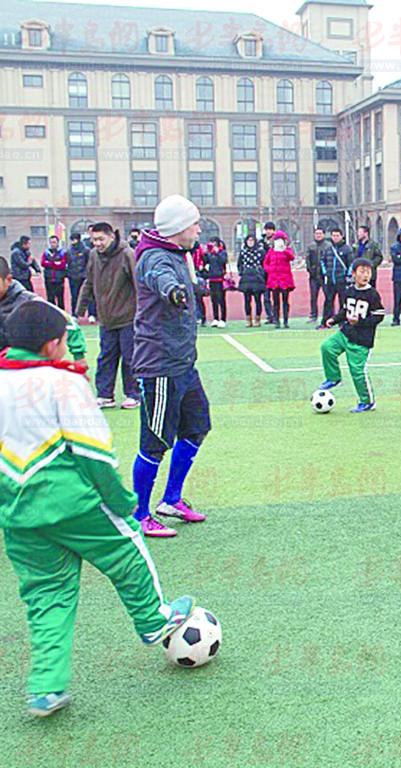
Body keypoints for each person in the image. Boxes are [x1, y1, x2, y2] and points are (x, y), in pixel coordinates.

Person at [0, 300, 197, 718]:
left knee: (46, 595)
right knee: (128, 551)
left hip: (18, 514)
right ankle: (155, 621)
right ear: (53, 345)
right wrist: (122, 502)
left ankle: (47, 688)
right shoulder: (64, 384)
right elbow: (94, 455)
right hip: (72, 503)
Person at [131, 194, 211, 538]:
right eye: (194, 223)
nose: (198, 229)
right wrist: (176, 292)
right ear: (178, 228)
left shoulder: (179, 254)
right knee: (154, 442)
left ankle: (171, 499)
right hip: (159, 366)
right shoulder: (153, 256)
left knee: (196, 427)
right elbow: (160, 279)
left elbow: (178, 281)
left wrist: (194, 287)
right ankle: (139, 514)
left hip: (182, 363)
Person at [77, 222, 140, 410]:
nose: (97, 243)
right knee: (106, 357)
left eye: (100, 239)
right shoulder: (94, 256)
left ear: (111, 236)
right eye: (93, 239)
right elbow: (88, 281)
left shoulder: (127, 254)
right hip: (106, 318)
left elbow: (138, 284)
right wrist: (79, 309)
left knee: (130, 357)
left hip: (128, 317)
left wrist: (143, 312)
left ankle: (133, 394)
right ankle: (105, 395)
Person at [317, 257, 385, 413]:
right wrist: (334, 319)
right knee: (327, 347)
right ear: (354, 274)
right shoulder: (349, 291)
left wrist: (360, 321)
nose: (365, 275)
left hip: (361, 340)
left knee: (357, 372)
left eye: (368, 272)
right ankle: (333, 377)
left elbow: (379, 315)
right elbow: (345, 310)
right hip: (345, 333)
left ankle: (367, 402)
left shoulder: (373, 294)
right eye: (362, 271)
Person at [0, 256, 87, 364]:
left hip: (22, 370)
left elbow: (68, 323)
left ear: (8, 280)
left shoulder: (30, 303)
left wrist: (79, 356)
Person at [320, 227, 352, 326]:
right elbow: (322, 261)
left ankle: (342, 322)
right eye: (333, 235)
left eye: (337, 235)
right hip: (330, 280)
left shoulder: (347, 249)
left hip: (341, 279)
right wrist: (326, 273)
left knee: (343, 301)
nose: (335, 237)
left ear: (341, 236)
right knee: (328, 301)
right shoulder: (328, 249)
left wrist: (348, 275)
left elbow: (351, 263)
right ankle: (326, 321)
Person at [263, 230, 295, 329]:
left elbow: (292, 257)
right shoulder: (271, 251)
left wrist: (284, 249)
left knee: (285, 300)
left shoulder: (287, 250)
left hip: (285, 279)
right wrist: (270, 270)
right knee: (276, 301)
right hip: (274, 280)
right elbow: (265, 263)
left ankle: (285, 320)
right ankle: (276, 320)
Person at [237, 234, 267, 328]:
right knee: (247, 300)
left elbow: (264, 263)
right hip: (246, 278)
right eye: (248, 240)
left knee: (258, 300)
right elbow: (239, 264)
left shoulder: (260, 251)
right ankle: (248, 319)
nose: (250, 242)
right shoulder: (243, 252)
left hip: (257, 278)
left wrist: (261, 273)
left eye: (252, 240)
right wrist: (242, 272)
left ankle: (257, 319)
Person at [306, 227, 329, 323]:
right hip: (314, 276)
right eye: (316, 234)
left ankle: (328, 314)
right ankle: (313, 315)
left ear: (324, 234)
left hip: (325, 276)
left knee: (328, 296)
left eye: (320, 233)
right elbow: (308, 260)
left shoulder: (328, 246)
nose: (318, 235)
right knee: (313, 296)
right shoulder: (311, 246)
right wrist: (310, 270)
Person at [204, 238, 228, 328]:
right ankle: (215, 318)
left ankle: (223, 319)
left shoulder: (222, 252)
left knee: (221, 299)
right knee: (213, 299)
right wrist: (206, 253)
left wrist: (217, 253)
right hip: (212, 278)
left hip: (220, 279)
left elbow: (223, 261)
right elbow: (205, 261)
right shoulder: (210, 253)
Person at [66, 233, 91, 320]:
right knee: (74, 295)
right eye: (72, 240)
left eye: (74, 239)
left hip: (84, 276)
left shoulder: (86, 250)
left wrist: (87, 273)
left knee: (87, 295)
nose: (73, 242)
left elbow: (89, 263)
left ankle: (91, 314)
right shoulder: (69, 251)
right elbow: (68, 263)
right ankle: (74, 314)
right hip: (73, 276)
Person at [41, 235, 68, 309]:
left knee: (60, 299)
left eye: (54, 242)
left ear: (58, 243)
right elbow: (43, 263)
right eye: (51, 242)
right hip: (48, 278)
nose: (52, 244)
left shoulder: (62, 252)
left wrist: (50, 263)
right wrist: (54, 263)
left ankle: (62, 316)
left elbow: (62, 265)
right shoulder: (46, 253)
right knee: (50, 299)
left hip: (59, 279)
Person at [261, 221, 277, 324]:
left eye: (270, 229)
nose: (268, 231)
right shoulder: (261, 242)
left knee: (276, 295)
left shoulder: (278, 241)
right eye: (267, 229)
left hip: (275, 272)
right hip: (264, 272)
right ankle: (269, 315)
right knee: (266, 296)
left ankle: (276, 316)